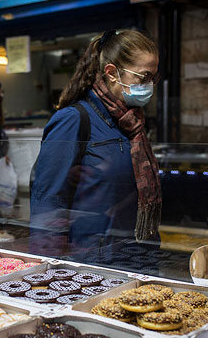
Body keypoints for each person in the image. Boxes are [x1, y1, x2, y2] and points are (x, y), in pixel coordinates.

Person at [30, 29, 162, 264]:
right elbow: (48, 201)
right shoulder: (74, 119)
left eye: (153, 77)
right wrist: (48, 269)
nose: (149, 85)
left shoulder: (131, 122)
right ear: (112, 73)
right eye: (143, 77)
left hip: (135, 256)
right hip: (93, 260)